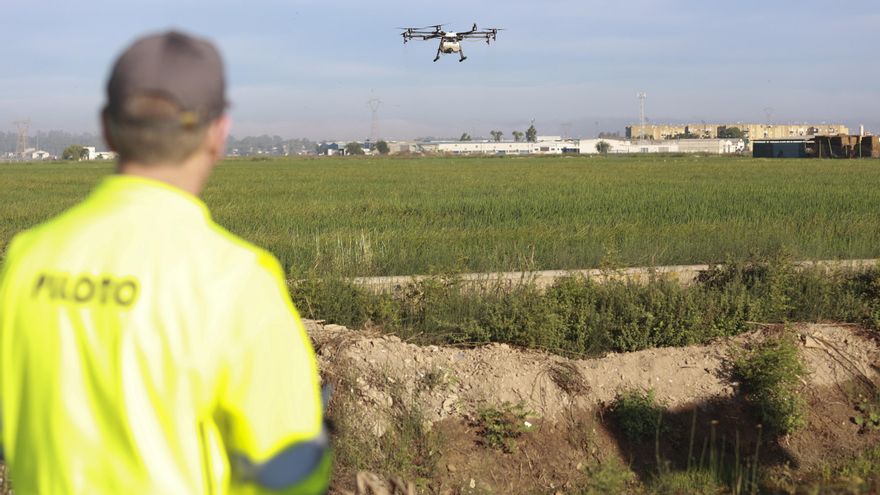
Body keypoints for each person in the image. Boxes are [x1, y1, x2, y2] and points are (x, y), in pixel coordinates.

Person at [0, 31, 331, 494]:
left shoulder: (27, 258)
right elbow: (286, 472)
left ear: (107, 128)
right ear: (218, 133)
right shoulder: (237, 281)